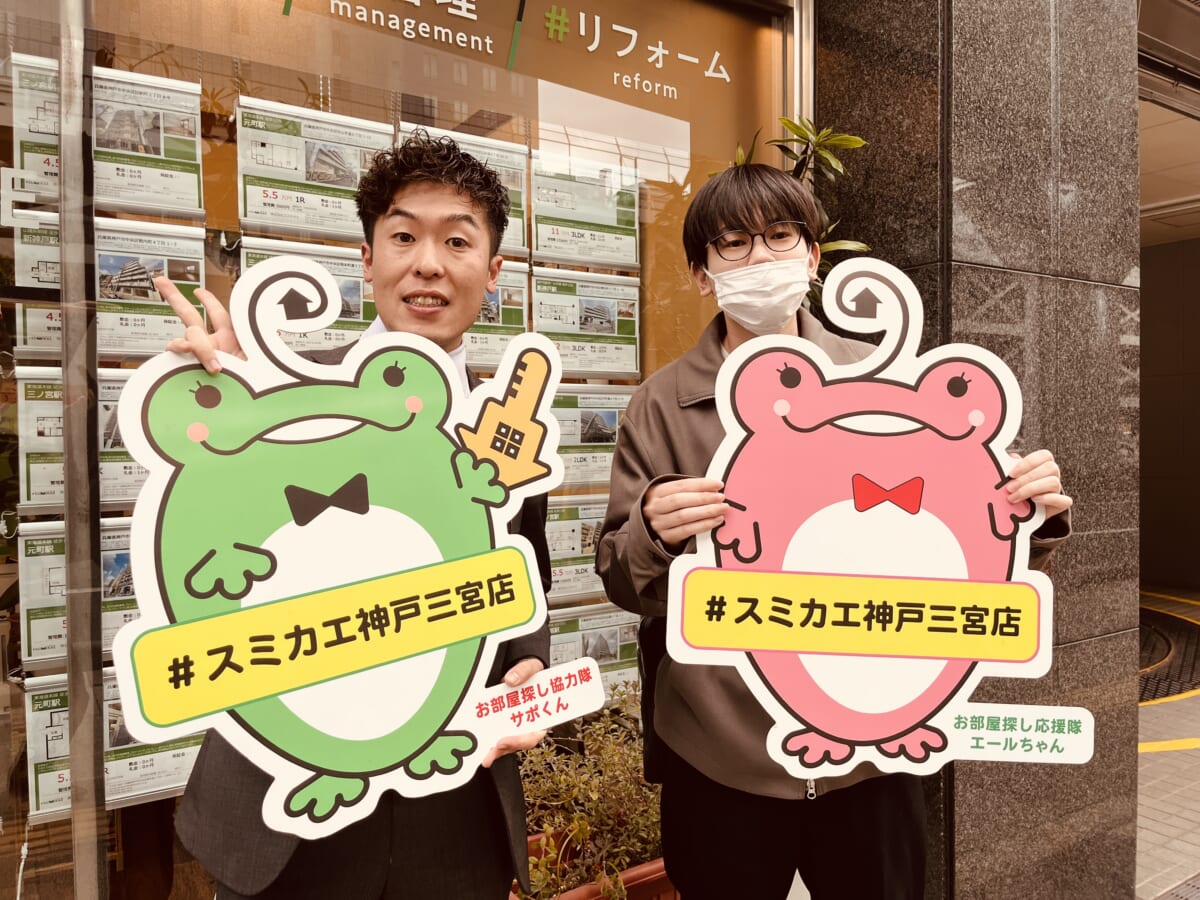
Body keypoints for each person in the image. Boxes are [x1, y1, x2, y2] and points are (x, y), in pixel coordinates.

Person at [595, 162, 1073, 900]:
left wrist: (1030, 511)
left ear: (813, 255)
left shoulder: (885, 378)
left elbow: (964, 537)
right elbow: (621, 579)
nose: (760, 258)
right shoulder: (659, 406)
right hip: (719, 756)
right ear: (701, 274)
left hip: (872, 755)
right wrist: (651, 533)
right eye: (733, 244)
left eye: (780, 236)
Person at [155, 132, 552, 900]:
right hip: (286, 808)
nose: (428, 264)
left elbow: (524, 576)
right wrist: (240, 409)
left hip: (452, 802)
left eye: (457, 241)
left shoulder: (502, 430)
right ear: (367, 260)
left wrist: (525, 665)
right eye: (403, 237)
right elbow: (202, 560)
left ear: (493, 270)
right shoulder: (277, 395)